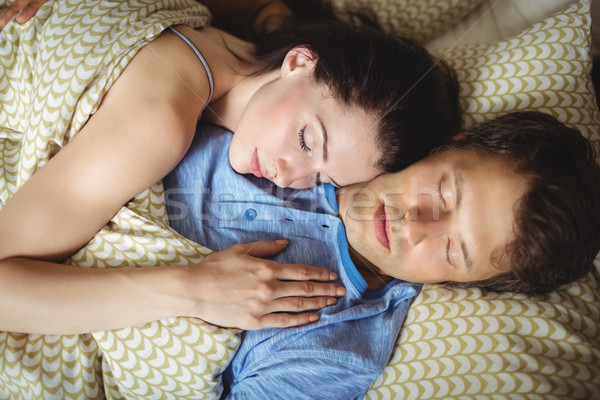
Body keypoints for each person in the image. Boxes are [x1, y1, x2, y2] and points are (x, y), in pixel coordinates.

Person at [0, 0, 461, 335]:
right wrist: (191, 288)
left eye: (322, 178)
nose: (288, 175)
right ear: (299, 61)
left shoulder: (233, 36)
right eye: (307, 139)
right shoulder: (157, 125)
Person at [162, 110, 600, 398]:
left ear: (467, 284)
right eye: (444, 192)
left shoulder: (334, 348)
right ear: (452, 143)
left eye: (452, 250)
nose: (414, 225)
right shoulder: (317, 122)